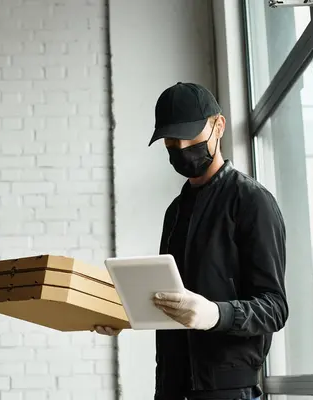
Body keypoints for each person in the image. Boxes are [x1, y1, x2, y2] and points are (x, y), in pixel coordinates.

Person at [94, 82, 289, 400]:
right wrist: (127, 315)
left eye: (189, 134)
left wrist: (215, 313)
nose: (181, 145)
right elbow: (171, 299)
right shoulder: (176, 211)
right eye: (171, 139)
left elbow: (275, 308)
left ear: (218, 125)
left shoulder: (252, 201)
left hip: (228, 390)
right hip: (171, 386)